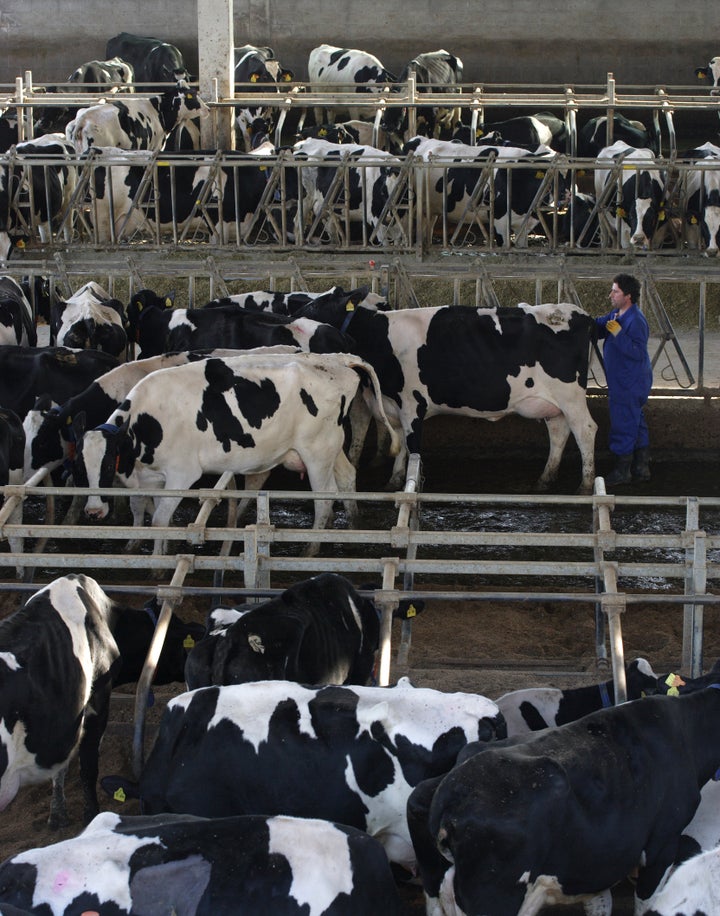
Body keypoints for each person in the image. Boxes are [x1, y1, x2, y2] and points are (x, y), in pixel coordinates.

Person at [595, 273, 653, 486]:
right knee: (636, 422)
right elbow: (602, 324)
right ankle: (641, 467)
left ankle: (622, 472)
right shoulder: (618, 314)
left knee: (623, 422)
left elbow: (637, 352)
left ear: (627, 296)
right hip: (626, 379)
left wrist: (618, 334)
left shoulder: (636, 320)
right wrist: (581, 322)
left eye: (615, 291)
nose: (611, 294)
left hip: (629, 381)